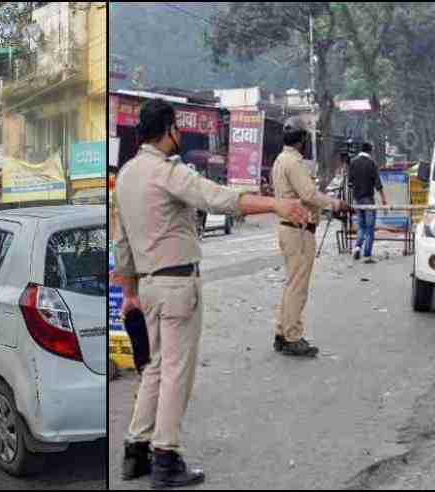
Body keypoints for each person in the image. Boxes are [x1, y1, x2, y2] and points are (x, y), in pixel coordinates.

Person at [114, 99, 310, 489]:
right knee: (175, 372)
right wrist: (277, 204)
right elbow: (220, 198)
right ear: (169, 129)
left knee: (154, 367)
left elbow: (122, 246)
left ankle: (135, 450)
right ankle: (166, 458)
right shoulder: (167, 173)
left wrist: (130, 293)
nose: (179, 134)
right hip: (176, 286)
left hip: (149, 288)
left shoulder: (127, 175)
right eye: (176, 128)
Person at [272, 116, 350, 358]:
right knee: (298, 287)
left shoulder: (280, 160)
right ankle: (292, 336)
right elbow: (308, 194)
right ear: (303, 139)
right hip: (299, 231)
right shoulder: (294, 163)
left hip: (289, 228)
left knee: (291, 284)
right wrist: (336, 204)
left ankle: (282, 333)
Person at [349, 142, 388, 263]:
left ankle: (357, 247)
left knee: (361, 226)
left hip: (357, 200)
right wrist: (383, 199)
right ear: (370, 151)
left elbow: (350, 183)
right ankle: (367, 255)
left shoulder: (353, 162)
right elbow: (378, 184)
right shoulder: (371, 163)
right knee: (370, 229)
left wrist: (352, 199)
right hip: (368, 199)